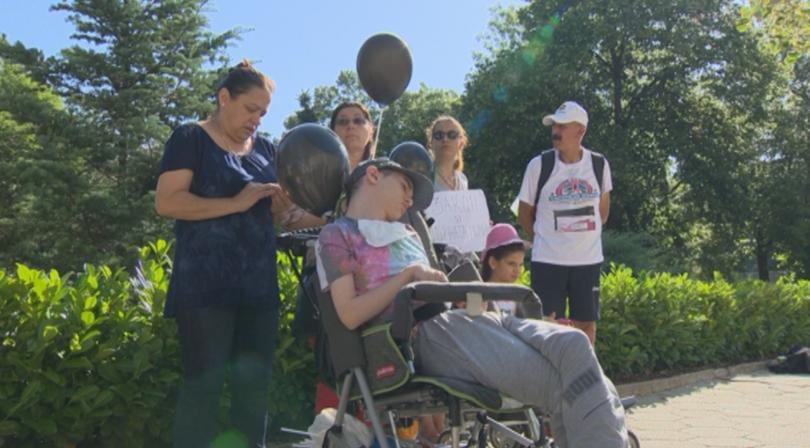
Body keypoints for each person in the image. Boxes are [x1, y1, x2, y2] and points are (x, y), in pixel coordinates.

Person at [316, 158, 628, 448]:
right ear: (373, 175)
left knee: (574, 343)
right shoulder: (338, 234)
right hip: (424, 336)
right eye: (405, 187)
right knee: (565, 386)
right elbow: (349, 315)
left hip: (470, 317)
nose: (410, 200)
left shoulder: (409, 231)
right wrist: (409, 276)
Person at [155, 60, 309, 448]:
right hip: (204, 289)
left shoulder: (268, 150)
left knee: (254, 393)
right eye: (250, 109)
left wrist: (288, 206)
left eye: (263, 112)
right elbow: (168, 202)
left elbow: (280, 216)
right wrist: (236, 203)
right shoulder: (189, 138)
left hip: (258, 290)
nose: (257, 119)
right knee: (202, 391)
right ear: (224, 98)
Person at [516, 101, 612, 346]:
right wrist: (546, 238)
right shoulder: (539, 165)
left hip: (587, 261)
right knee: (547, 325)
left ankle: (584, 380)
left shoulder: (599, 165)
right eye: (554, 125)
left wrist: (581, 234)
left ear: (580, 131)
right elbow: (524, 213)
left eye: (562, 126)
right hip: (548, 261)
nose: (555, 131)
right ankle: (548, 382)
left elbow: (602, 212)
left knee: (586, 325)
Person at [480, 223, 538, 317]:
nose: (517, 270)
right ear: (493, 262)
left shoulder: (519, 297)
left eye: (520, 265)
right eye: (511, 264)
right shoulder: (480, 296)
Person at [426, 115, 468, 191]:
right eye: (439, 135)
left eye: (452, 135)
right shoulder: (424, 178)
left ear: (461, 143)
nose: (445, 139)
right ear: (431, 142)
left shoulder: (463, 180)